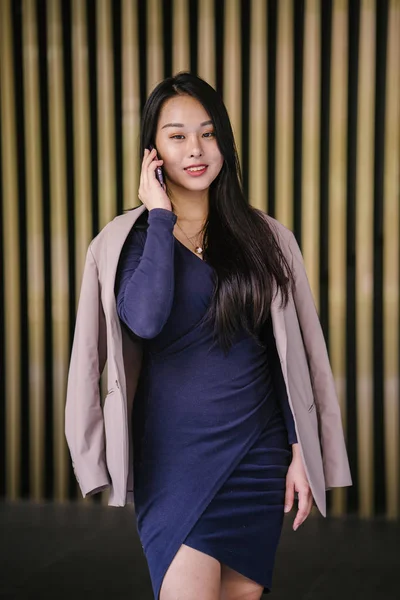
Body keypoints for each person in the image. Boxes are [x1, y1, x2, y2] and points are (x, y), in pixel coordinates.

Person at [65, 72, 352, 600]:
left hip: (257, 452)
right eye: (177, 136)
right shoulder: (126, 240)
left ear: (224, 140)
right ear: (154, 151)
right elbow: (145, 319)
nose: (196, 149)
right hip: (175, 461)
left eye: (208, 132)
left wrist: (299, 451)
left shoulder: (264, 236)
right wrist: (158, 216)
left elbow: (285, 356)